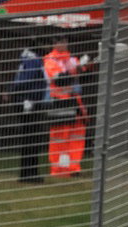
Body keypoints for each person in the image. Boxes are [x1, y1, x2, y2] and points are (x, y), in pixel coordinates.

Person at [43, 34, 89, 178]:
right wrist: (76, 71)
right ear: (54, 44)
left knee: (76, 136)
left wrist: (83, 67)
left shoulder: (71, 59)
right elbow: (58, 79)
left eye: (65, 41)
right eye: (61, 42)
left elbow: (83, 75)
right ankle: (58, 169)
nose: (64, 44)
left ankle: (74, 167)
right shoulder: (50, 60)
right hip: (60, 101)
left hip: (75, 101)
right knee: (59, 137)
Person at [10, 41, 48, 183]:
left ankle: (28, 172)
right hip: (29, 102)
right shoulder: (33, 59)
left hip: (27, 100)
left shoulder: (27, 58)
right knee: (31, 138)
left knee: (29, 138)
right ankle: (29, 173)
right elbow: (26, 80)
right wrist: (26, 96)